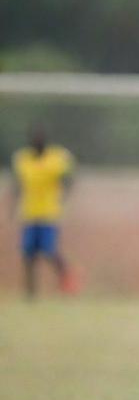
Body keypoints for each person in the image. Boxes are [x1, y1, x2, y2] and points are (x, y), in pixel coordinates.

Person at [10, 126, 77, 299]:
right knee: (28, 254)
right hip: (29, 213)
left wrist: (64, 195)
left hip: (49, 213)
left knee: (49, 250)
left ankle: (66, 278)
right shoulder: (23, 160)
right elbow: (18, 185)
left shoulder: (56, 158)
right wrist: (12, 205)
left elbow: (68, 178)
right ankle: (30, 293)